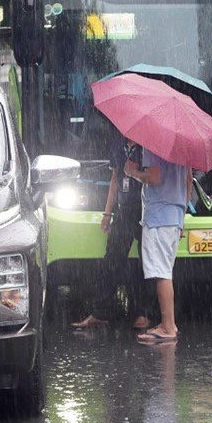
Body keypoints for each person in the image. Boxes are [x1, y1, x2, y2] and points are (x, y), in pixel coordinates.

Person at [70, 136, 152, 330]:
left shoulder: (148, 146)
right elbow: (114, 179)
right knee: (111, 260)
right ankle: (100, 312)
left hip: (146, 210)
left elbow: (155, 177)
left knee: (145, 263)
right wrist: (107, 212)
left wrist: (135, 172)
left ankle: (143, 313)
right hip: (123, 212)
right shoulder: (118, 145)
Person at [124, 147, 191, 343]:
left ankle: (168, 326)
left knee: (161, 273)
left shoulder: (154, 146)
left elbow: (153, 178)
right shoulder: (182, 150)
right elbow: (188, 182)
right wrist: (181, 217)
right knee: (166, 270)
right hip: (174, 216)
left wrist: (132, 172)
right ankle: (169, 324)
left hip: (158, 217)